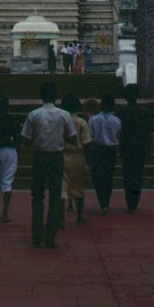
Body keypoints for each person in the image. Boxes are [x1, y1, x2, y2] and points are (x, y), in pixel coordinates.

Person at [21, 81, 77, 248]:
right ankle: (51, 237)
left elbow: (26, 139)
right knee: (55, 197)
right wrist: (59, 137)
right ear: (55, 96)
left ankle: (37, 235)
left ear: (41, 95)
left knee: (37, 197)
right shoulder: (64, 115)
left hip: (39, 157)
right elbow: (73, 138)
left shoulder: (33, 115)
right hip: (56, 157)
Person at [58, 93, 92, 226]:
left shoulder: (60, 120)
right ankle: (79, 216)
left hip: (62, 155)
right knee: (79, 187)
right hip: (78, 156)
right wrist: (89, 161)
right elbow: (87, 143)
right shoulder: (82, 122)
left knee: (61, 189)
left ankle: (61, 219)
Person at [119, 83, 152, 213]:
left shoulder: (121, 113)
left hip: (126, 148)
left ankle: (130, 202)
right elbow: (147, 133)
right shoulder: (144, 113)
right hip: (140, 148)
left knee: (127, 175)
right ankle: (134, 201)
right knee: (138, 175)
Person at [88, 95, 121, 215]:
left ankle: (102, 202)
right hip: (110, 151)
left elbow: (90, 137)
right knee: (108, 177)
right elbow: (118, 136)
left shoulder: (93, 119)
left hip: (97, 150)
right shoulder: (116, 120)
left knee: (97, 177)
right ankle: (106, 202)